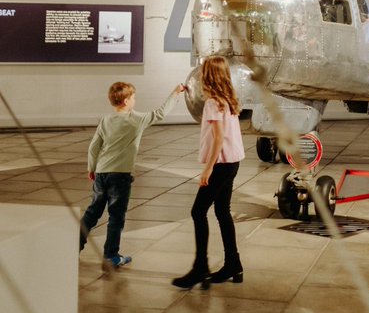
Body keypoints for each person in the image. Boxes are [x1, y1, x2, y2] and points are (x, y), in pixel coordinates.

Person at [81, 81, 185, 269]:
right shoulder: (136, 119)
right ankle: (111, 255)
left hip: (102, 173)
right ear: (126, 100)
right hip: (120, 176)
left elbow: (94, 146)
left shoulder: (105, 120)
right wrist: (175, 93)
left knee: (92, 212)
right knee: (116, 216)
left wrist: (91, 168)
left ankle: (73, 246)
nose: (135, 100)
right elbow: (160, 113)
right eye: (134, 97)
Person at [171, 56, 246, 289]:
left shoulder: (213, 102)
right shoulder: (228, 99)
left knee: (197, 211)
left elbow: (217, 139)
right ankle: (233, 264)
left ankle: (200, 268)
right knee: (222, 211)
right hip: (233, 162)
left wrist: (208, 168)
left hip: (221, 164)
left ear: (209, 75)